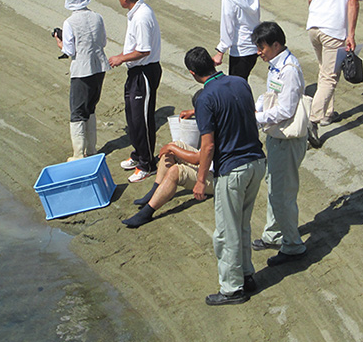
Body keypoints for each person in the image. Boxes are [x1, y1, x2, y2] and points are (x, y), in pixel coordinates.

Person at [184, 46, 266, 306]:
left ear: (193, 73)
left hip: (232, 170)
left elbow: (207, 145)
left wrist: (199, 179)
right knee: (242, 224)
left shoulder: (205, 97)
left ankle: (232, 289)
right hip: (256, 162)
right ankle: (246, 274)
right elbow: (235, 109)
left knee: (226, 232)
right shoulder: (240, 83)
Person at [250, 21, 308, 266]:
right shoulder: (276, 66)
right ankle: (274, 234)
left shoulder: (289, 70)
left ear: (276, 45)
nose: (258, 52)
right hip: (276, 137)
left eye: (261, 47)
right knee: (274, 185)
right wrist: (257, 107)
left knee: (283, 193)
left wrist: (255, 118)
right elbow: (269, 95)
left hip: (287, 139)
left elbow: (285, 109)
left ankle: (293, 245)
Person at [305, 0, 363, 148]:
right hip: (333, 31)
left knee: (324, 70)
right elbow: (353, 2)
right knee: (330, 77)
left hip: (314, 27)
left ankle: (328, 113)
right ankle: (313, 120)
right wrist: (351, 34)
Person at [108, 0, 162, 182]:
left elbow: (144, 50)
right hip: (136, 72)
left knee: (143, 119)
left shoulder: (141, 16)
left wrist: (120, 58)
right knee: (132, 117)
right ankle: (139, 155)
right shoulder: (136, 13)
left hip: (145, 72)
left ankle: (147, 164)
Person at [53, 0, 110, 161]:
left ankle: (78, 154)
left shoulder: (70, 22)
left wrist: (60, 43)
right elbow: (103, 42)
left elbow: (69, 51)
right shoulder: (97, 17)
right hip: (99, 66)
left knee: (77, 112)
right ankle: (91, 149)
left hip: (82, 69)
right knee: (90, 107)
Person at [121, 138, 214, 228]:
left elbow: (197, 158)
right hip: (209, 163)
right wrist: (171, 148)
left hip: (219, 178)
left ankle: (146, 213)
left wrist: (172, 149)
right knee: (173, 146)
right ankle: (156, 192)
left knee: (175, 171)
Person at [213, 0, 261, 80]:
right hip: (255, 43)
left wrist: (220, 52)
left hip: (241, 49)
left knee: (237, 85)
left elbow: (228, 26)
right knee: (243, 82)